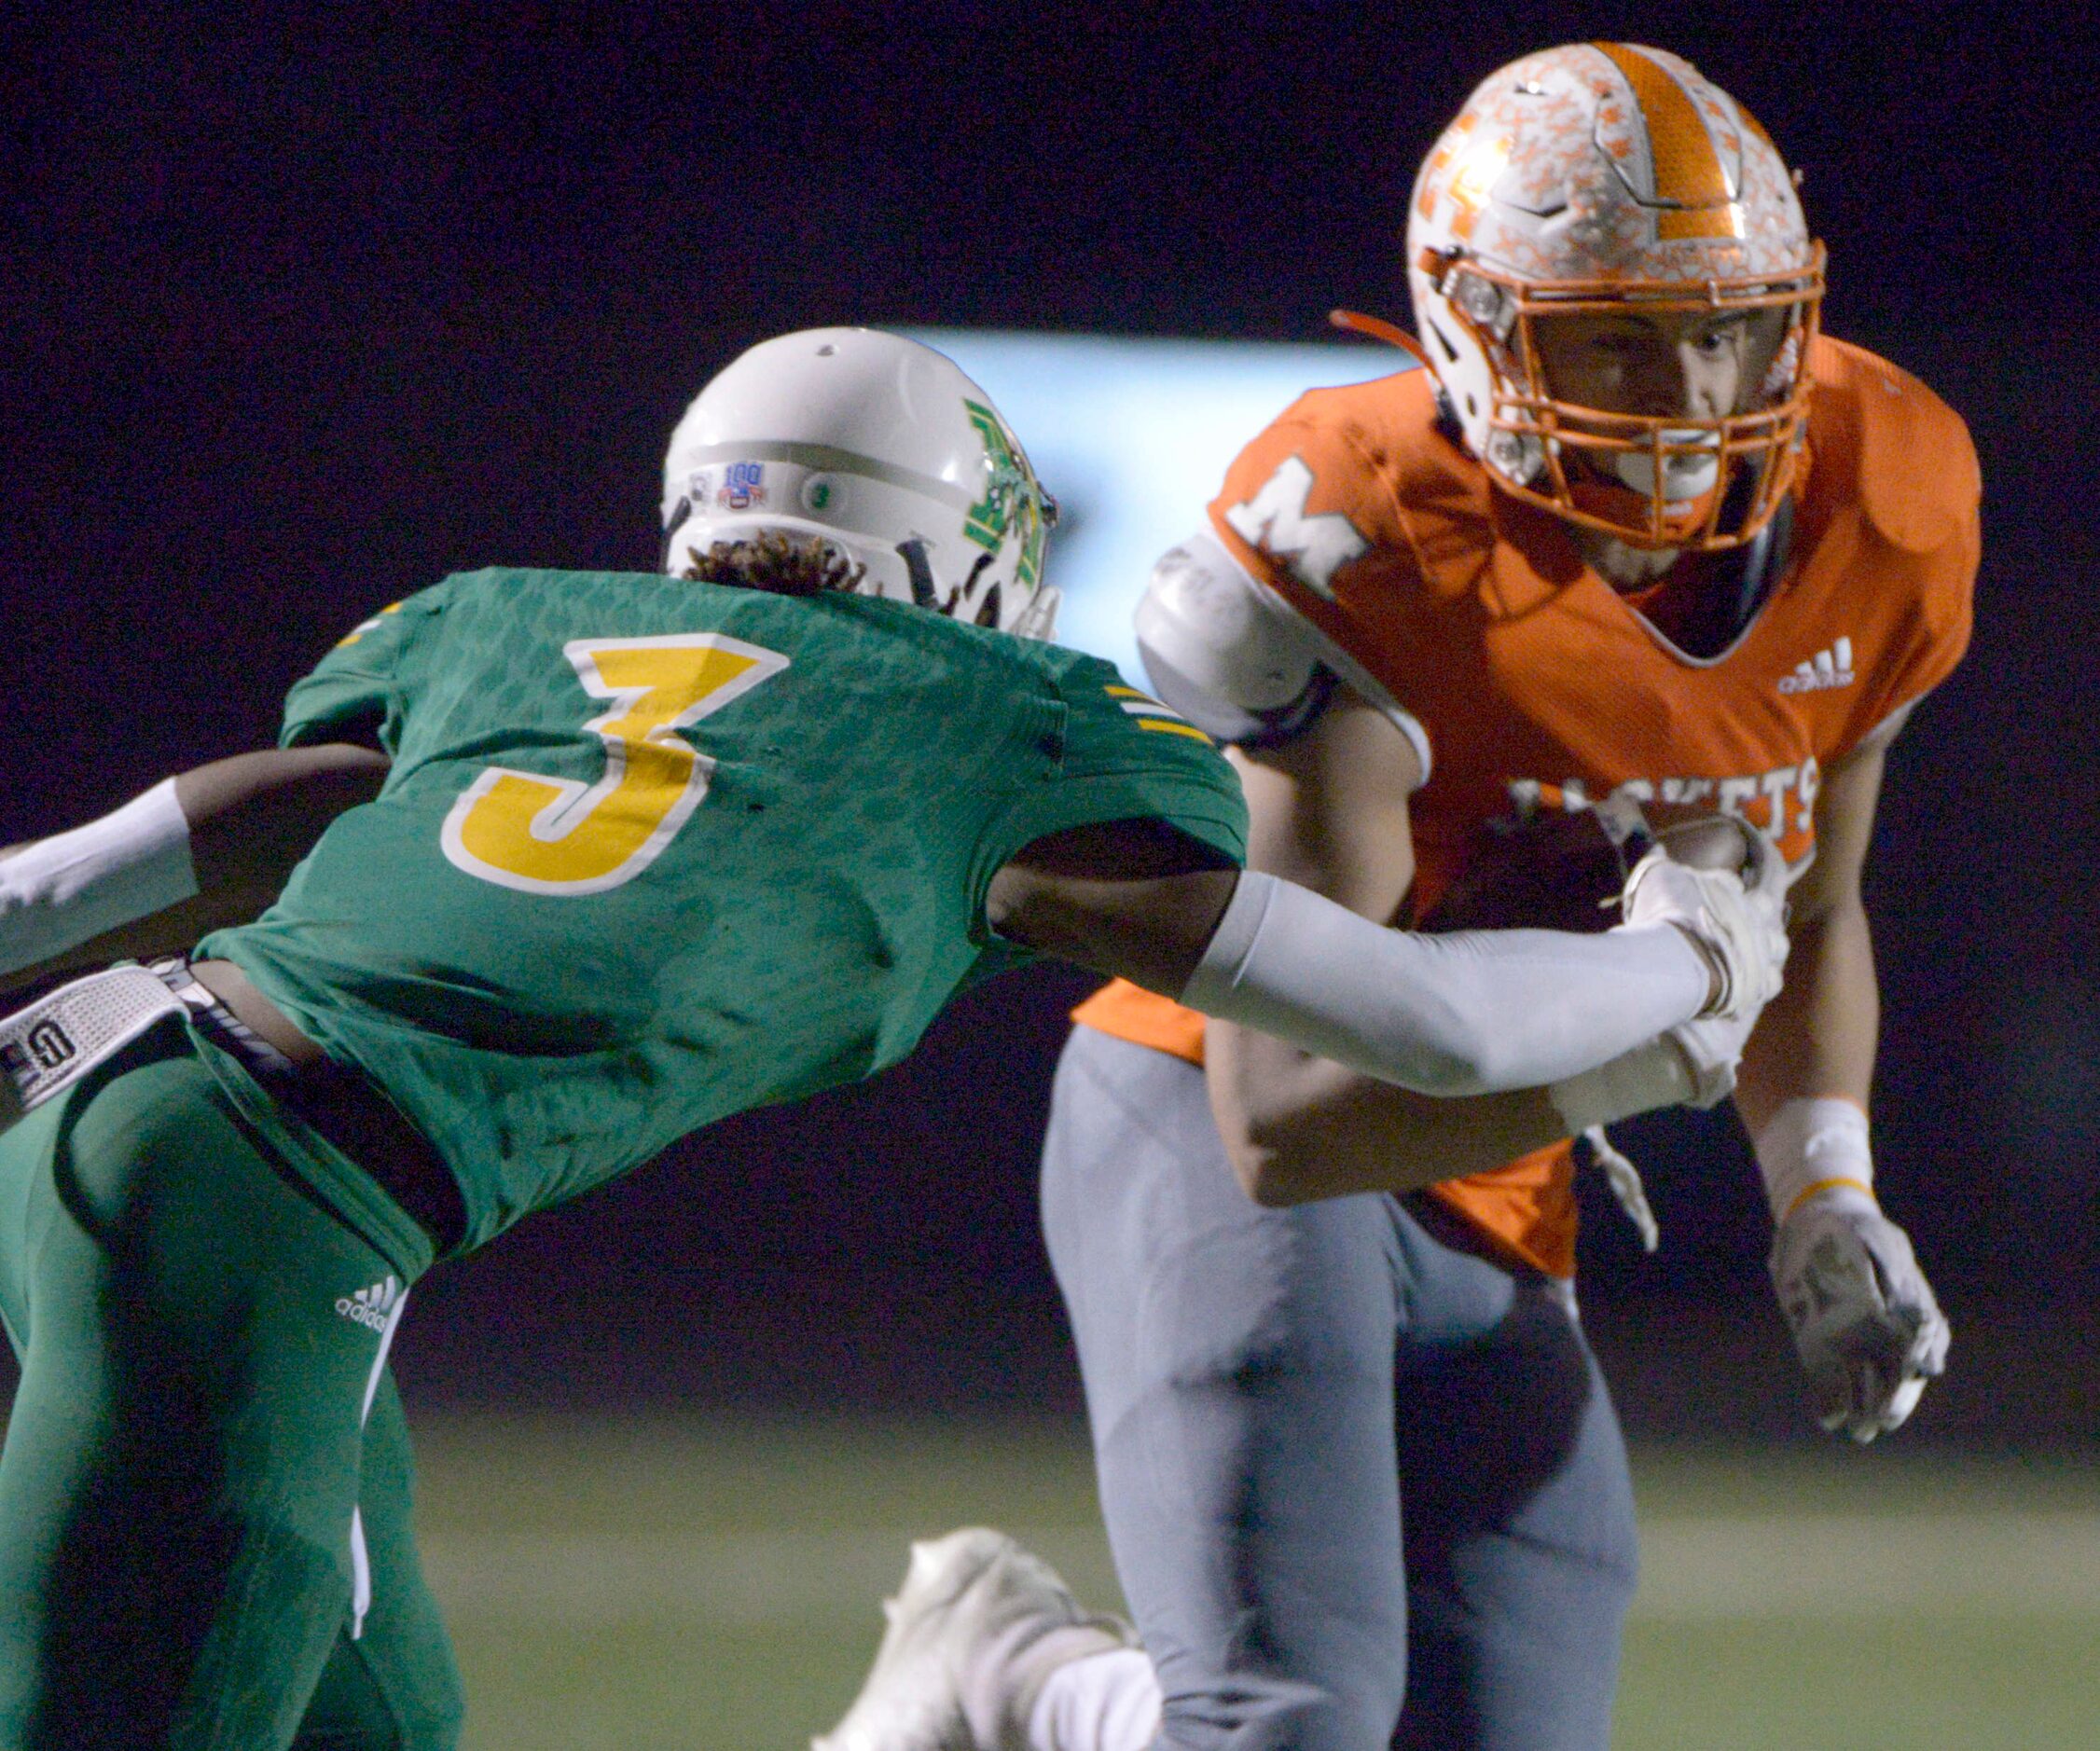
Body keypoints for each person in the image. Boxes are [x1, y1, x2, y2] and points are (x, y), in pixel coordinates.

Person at [0, 326, 1779, 1750]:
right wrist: (1686, 975)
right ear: (963, 546)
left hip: (136, 1116)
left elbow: (179, 842)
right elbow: (1428, 1026)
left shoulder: (520, 623)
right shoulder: (984, 718)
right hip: (265, 1202)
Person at [820, 41, 1977, 1751]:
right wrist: (1652, 1043)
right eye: (1615, 335)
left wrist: (1824, 1187)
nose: (1691, 388)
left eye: (1729, 324)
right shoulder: (1375, 530)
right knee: (1284, 1719)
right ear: (1474, 326)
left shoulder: (1883, 494)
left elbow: (1803, 912)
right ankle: (1020, 1687)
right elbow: (1290, 1110)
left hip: (1499, 1172)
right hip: (1216, 1115)